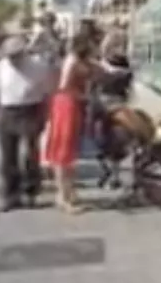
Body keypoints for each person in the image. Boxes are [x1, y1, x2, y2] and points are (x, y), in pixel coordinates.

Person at [44, 33, 128, 214]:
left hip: (76, 106)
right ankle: (63, 196)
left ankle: (70, 192)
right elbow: (64, 86)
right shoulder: (72, 61)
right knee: (63, 152)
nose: (93, 46)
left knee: (71, 151)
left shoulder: (86, 61)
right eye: (90, 44)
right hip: (66, 105)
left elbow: (104, 71)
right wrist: (85, 96)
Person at [0, 36, 53, 211]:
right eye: (10, 56)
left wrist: (45, 116)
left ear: (23, 53)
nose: (12, 59)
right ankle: (10, 195)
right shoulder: (0, 67)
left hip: (30, 110)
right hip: (7, 111)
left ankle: (31, 192)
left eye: (16, 55)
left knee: (30, 154)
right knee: (8, 157)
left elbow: (47, 94)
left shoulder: (39, 67)